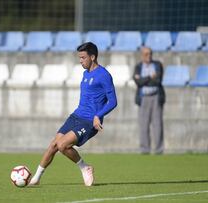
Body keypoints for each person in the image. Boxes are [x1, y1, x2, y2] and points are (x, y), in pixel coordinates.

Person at [29, 42, 117, 186]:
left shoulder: (104, 75)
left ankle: (84, 167)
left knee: (63, 145)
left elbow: (113, 101)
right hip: (76, 116)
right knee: (54, 145)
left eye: (83, 58)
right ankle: (36, 178)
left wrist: (98, 115)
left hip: (89, 122)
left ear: (93, 57)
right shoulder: (85, 73)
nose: (80, 61)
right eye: (79, 58)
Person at [133, 46, 165, 154]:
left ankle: (159, 149)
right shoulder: (138, 66)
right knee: (143, 125)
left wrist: (144, 79)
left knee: (158, 124)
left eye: (150, 53)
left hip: (156, 96)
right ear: (142, 55)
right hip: (143, 98)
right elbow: (138, 83)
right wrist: (150, 77)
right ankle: (145, 150)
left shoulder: (157, 65)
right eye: (146, 54)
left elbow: (158, 81)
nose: (149, 56)